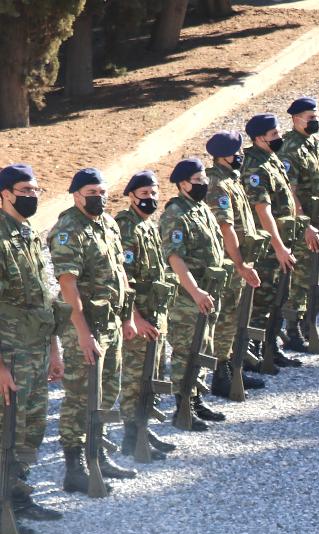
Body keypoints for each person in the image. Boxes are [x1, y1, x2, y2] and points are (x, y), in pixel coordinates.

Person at [51, 167, 137, 493]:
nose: (98, 198)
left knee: (107, 390)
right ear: (76, 195)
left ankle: (97, 454)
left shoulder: (109, 224)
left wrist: (127, 317)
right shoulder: (68, 229)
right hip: (83, 327)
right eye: (91, 193)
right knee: (79, 396)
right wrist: (83, 332)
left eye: (101, 192)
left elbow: (120, 273)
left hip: (111, 321)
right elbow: (68, 285)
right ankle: (75, 466)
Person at [0, 164, 64, 527]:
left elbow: (44, 301)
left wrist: (53, 351)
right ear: (5, 193)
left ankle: (18, 497)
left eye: (36, 189)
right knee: (5, 430)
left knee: (31, 429)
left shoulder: (28, 235)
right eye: (24, 189)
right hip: (9, 353)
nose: (31, 196)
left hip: (36, 350)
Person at [244, 112, 318, 369]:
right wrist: (278, 247)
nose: (278, 137)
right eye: (273, 134)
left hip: (282, 242)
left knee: (278, 296)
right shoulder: (254, 166)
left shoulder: (271, 158)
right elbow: (262, 211)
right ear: (258, 138)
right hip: (267, 248)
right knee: (261, 303)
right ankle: (250, 355)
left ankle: (270, 348)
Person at [159, 157, 227, 431]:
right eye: (198, 182)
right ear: (183, 184)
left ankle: (196, 400)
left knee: (201, 348)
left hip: (206, 292)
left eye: (204, 181)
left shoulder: (199, 209)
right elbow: (175, 258)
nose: (203, 185)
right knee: (186, 351)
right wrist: (196, 291)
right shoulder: (176, 213)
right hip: (188, 296)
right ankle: (183, 408)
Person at [114, 171, 177, 461]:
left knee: (152, 375)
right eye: (144, 194)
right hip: (139, 316)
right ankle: (132, 435)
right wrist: (134, 317)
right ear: (131, 196)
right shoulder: (126, 227)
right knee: (136, 376)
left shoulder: (148, 225)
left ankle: (143, 427)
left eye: (153, 194)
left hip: (156, 313)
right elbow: (122, 277)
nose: (150, 199)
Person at [205, 130, 268, 394]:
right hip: (230, 263)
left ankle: (232, 368)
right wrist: (240, 263)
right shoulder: (217, 185)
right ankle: (221, 374)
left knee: (235, 317)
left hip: (239, 259)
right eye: (235, 152)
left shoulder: (230, 180)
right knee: (226, 318)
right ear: (222, 156)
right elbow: (225, 228)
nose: (240, 156)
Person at [281, 96, 319, 350]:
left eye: (315, 117)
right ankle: (292, 331)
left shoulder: (312, 144)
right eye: (310, 117)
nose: (314, 121)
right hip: (303, 227)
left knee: (317, 277)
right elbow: (290, 192)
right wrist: (305, 224)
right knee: (301, 280)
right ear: (296, 119)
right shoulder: (290, 149)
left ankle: (309, 326)